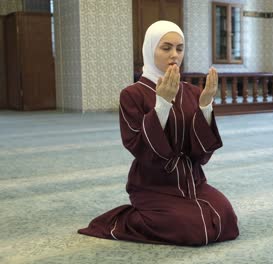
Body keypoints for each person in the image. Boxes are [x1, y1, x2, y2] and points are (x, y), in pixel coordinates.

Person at [78, 20, 239, 246]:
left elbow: (202, 154)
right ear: (150, 49)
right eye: (166, 48)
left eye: (179, 48)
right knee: (193, 229)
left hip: (193, 181)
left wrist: (205, 106)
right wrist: (162, 103)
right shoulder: (132, 95)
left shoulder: (193, 91)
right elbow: (138, 146)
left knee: (226, 219)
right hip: (153, 184)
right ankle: (123, 219)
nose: (174, 55)